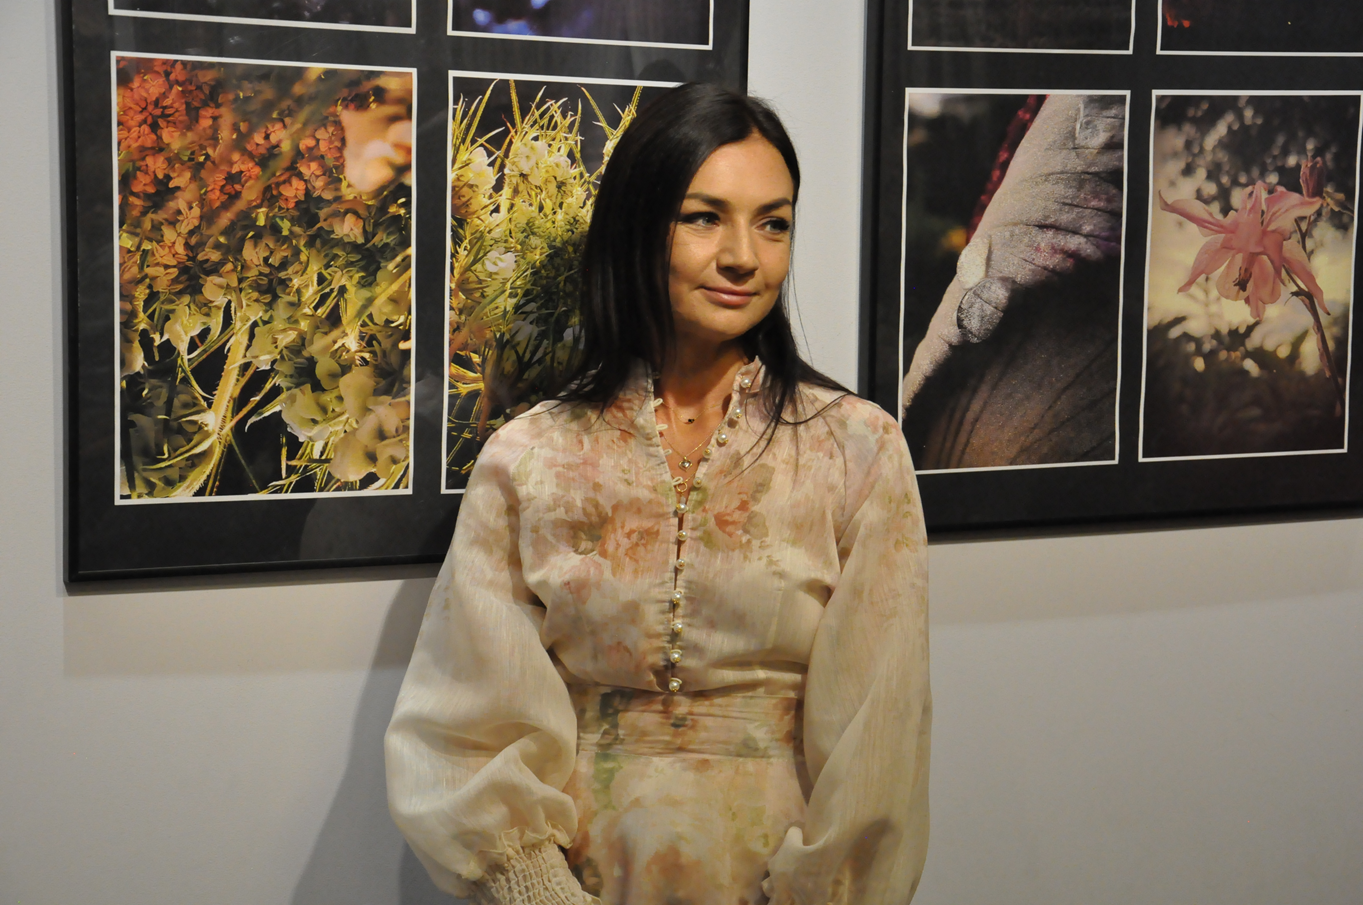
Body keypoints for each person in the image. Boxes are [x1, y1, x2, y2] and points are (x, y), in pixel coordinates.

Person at [385, 83, 931, 905]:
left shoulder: (856, 449)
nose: (744, 255)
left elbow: (881, 730)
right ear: (637, 226)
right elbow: (467, 716)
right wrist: (540, 892)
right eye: (703, 217)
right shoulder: (531, 457)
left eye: (773, 222)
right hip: (577, 879)